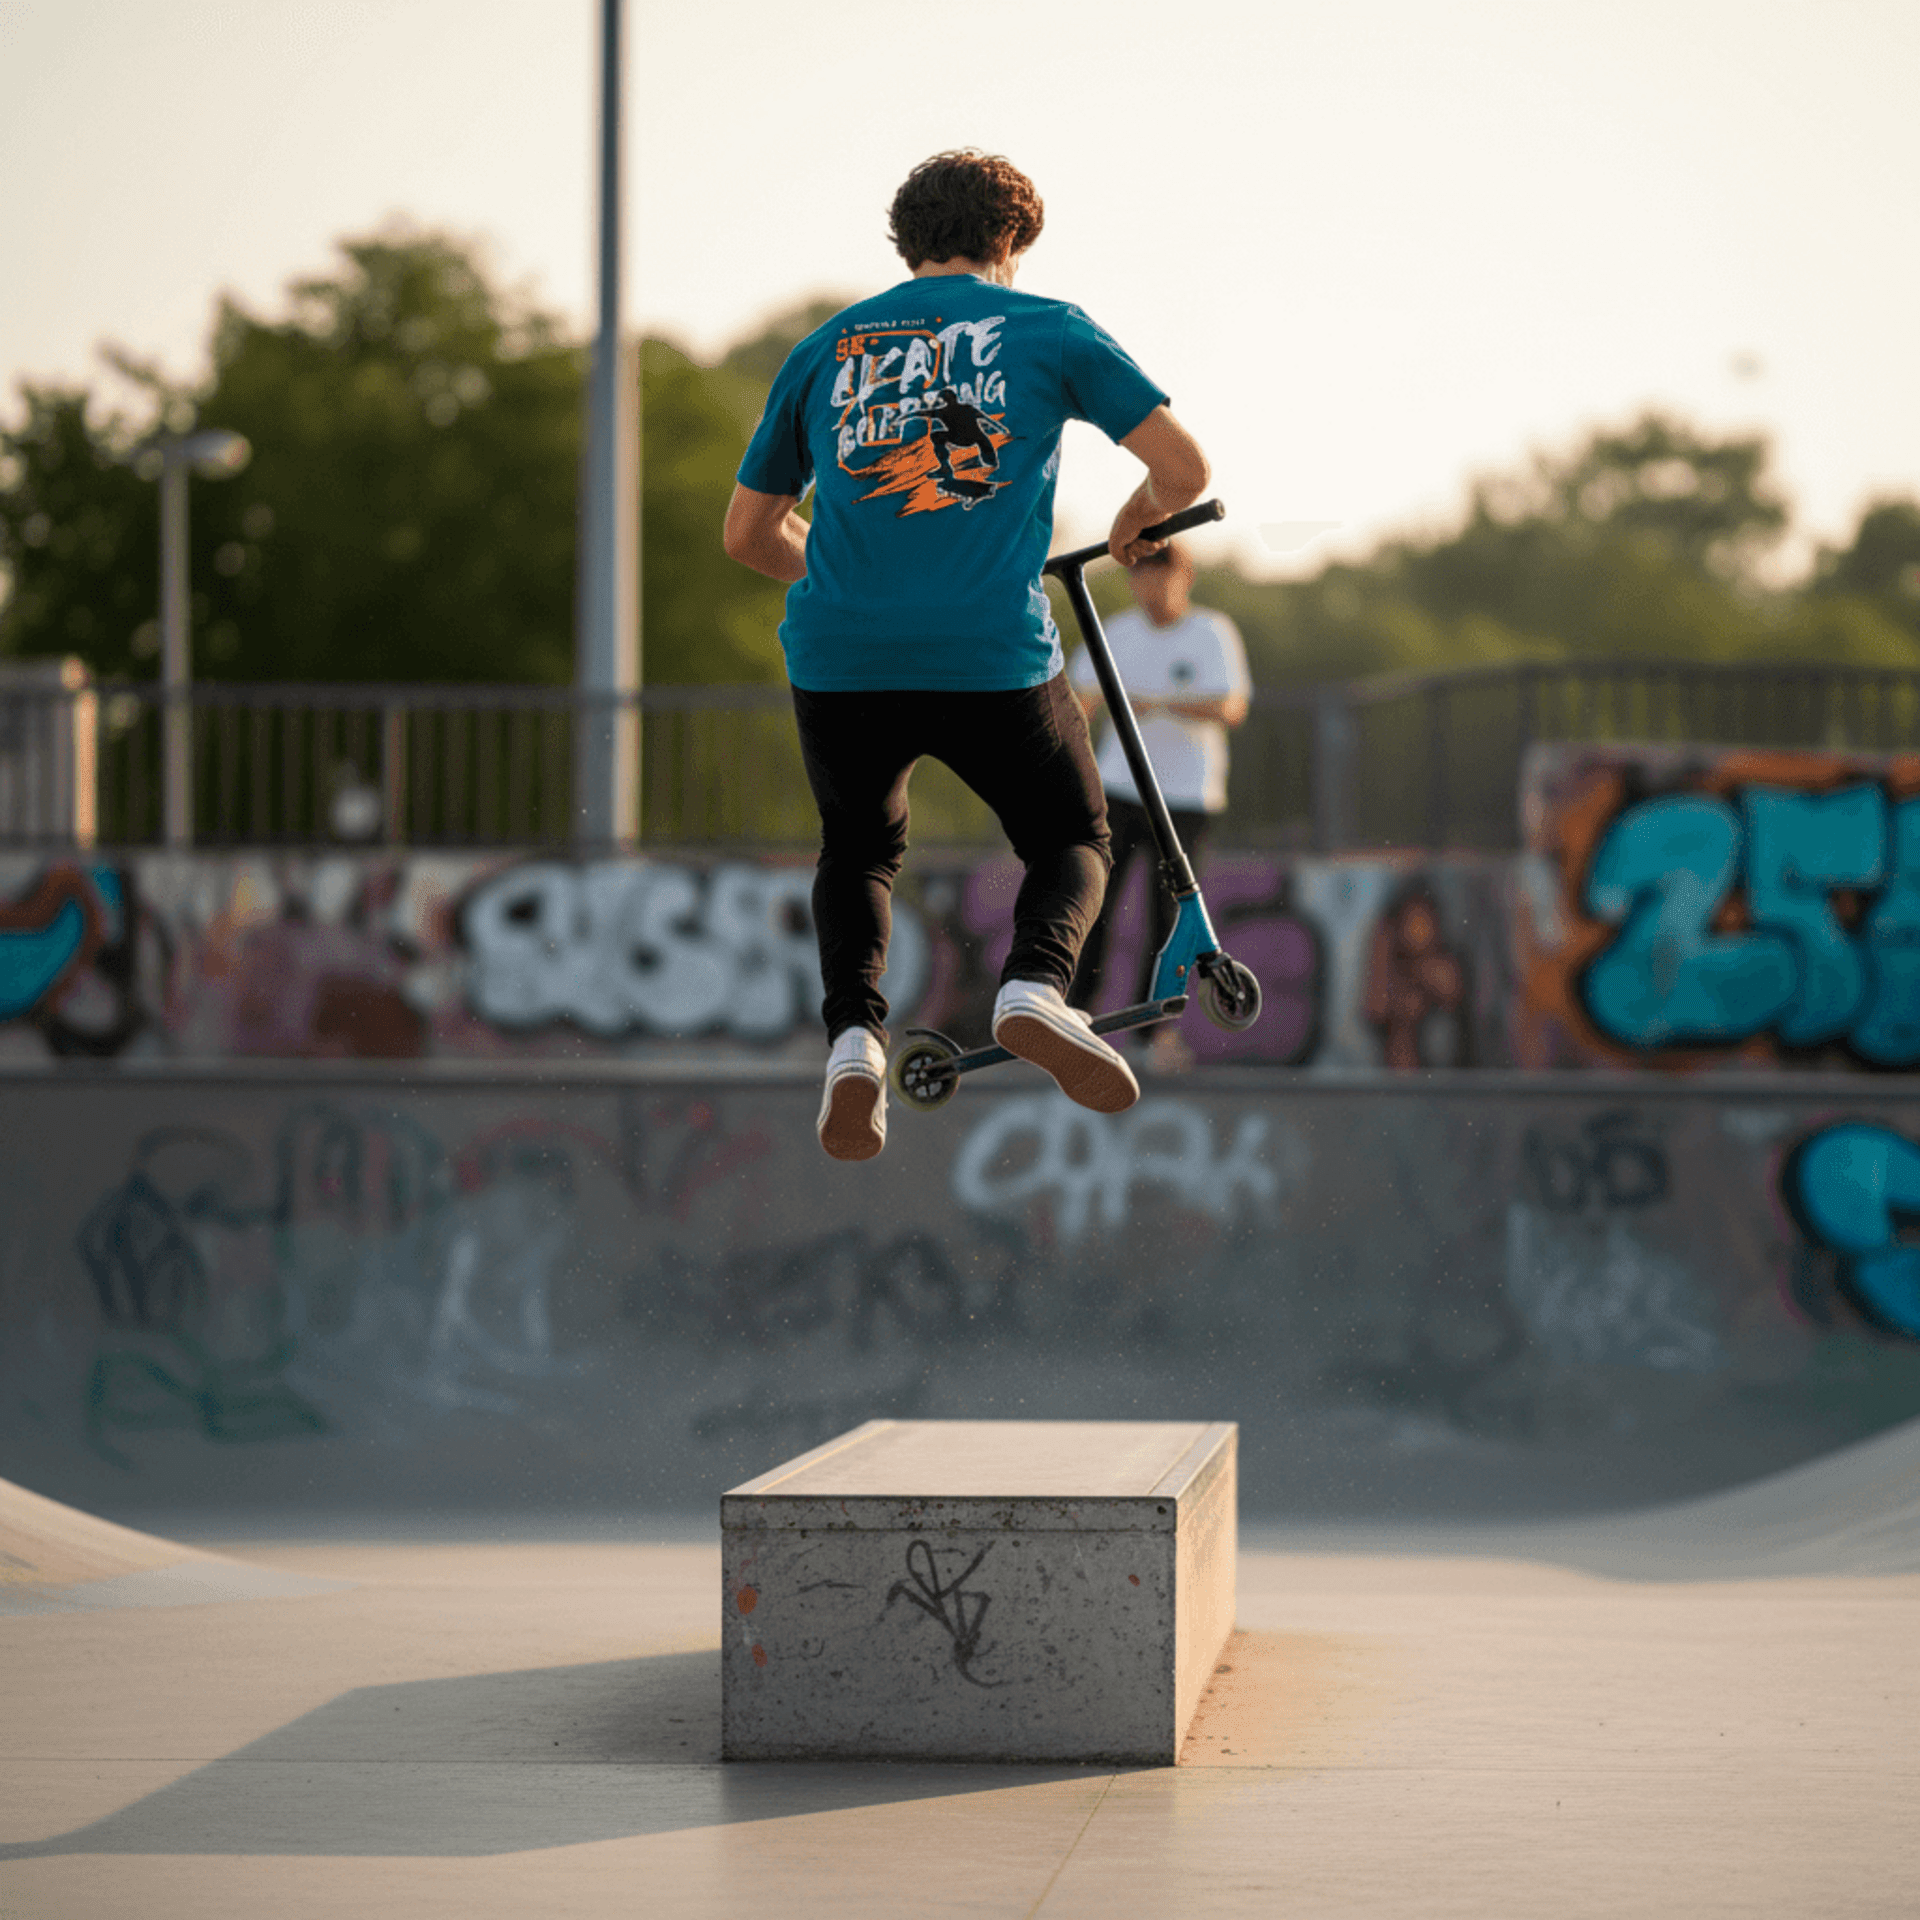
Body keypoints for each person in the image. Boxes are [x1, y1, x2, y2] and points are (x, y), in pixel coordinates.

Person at [723, 149, 1212, 1161]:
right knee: (1072, 835)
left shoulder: (826, 345)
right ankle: (1035, 987)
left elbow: (745, 535)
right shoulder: (1048, 329)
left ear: (904, 242)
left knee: (859, 852)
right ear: (1015, 242)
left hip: (839, 656)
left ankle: (854, 1042)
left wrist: (849, 578)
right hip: (990, 653)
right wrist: (1133, 519)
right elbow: (1183, 468)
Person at [1067, 541, 1250, 1069]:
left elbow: (1230, 704)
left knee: (1166, 920)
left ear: (1183, 576)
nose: (1150, 583)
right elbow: (1076, 698)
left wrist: (1159, 704)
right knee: (1094, 907)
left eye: (1160, 572)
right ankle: (1076, 1021)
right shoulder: (1118, 632)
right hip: (1120, 791)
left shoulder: (1212, 632)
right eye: (1142, 573)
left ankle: (1153, 1035)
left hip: (1187, 799)